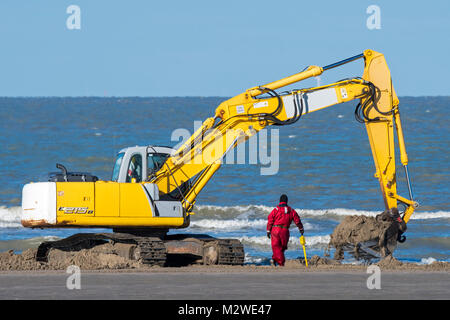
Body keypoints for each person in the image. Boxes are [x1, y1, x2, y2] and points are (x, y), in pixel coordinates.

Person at [267, 194, 304, 266]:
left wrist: (268, 230)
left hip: (275, 230)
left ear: (280, 201)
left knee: (276, 247)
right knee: (282, 247)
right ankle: (279, 262)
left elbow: (270, 220)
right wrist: (301, 228)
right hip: (285, 231)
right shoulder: (291, 210)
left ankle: (277, 261)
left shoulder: (275, 210)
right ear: (287, 201)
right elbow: (297, 221)